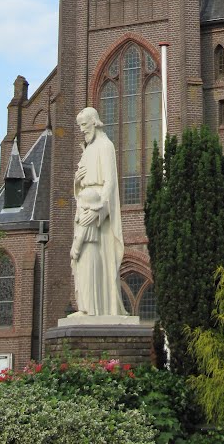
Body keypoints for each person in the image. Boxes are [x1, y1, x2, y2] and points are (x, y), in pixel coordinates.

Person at [70, 107, 127, 316]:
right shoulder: (88, 147)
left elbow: (110, 181)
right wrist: (76, 182)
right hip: (84, 205)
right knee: (81, 261)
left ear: (94, 122)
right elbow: (82, 183)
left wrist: (100, 210)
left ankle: (97, 308)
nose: (82, 130)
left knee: (92, 257)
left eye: (84, 125)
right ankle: (86, 307)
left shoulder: (105, 146)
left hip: (97, 210)